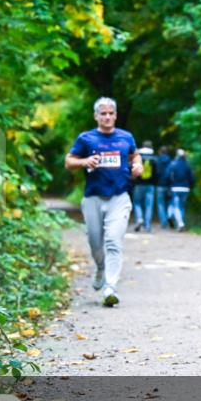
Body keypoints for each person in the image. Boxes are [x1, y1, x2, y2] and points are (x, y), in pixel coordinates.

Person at [65, 97, 142, 307]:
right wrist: (84, 161)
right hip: (93, 197)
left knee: (113, 241)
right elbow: (69, 161)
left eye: (110, 113)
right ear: (96, 116)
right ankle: (101, 267)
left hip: (119, 197)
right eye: (103, 114)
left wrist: (138, 166)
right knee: (95, 242)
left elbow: (135, 156)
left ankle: (110, 287)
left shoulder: (126, 137)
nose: (107, 117)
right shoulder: (86, 138)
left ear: (115, 115)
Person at [164, 149, 195, 232]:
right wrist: (191, 186)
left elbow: (167, 176)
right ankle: (179, 222)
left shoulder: (173, 164)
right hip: (185, 188)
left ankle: (179, 222)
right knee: (181, 206)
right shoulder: (187, 165)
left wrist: (168, 185)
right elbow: (192, 178)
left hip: (175, 188)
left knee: (176, 205)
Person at [132, 140, 157, 232]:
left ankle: (139, 219)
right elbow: (157, 173)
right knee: (149, 205)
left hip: (138, 185)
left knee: (137, 203)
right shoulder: (154, 159)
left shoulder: (138, 157)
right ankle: (148, 226)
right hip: (150, 185)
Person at [154, 145, 173, 229]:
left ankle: (163, 222)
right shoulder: (171, 161)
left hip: (160, 185)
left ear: (160, 152)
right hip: (169, 186)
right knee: (169, 203)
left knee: (160, 204)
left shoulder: (157, 161)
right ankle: (170, 215)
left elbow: (156, 173)